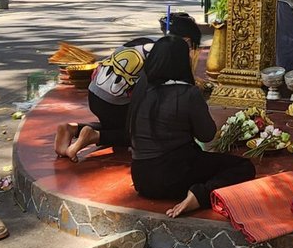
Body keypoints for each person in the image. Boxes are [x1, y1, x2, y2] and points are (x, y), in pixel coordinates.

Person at [128, 35, 256, 218]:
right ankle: (199, 195)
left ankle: (195, 191)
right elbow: (207, 135)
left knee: (199, 160)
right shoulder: (187, 93)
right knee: (243, 167)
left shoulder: (141, 88)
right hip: (175, 175)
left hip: (142, 178)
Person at [55, 15, 203, 162]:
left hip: (94, 94)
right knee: (146, 135)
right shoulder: (163, 53)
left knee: (116, 126)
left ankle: (73, 129)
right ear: (187, 41)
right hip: (113, 103)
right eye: (192, 48)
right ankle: (94, 136)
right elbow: (151, 89)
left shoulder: (147, 42)